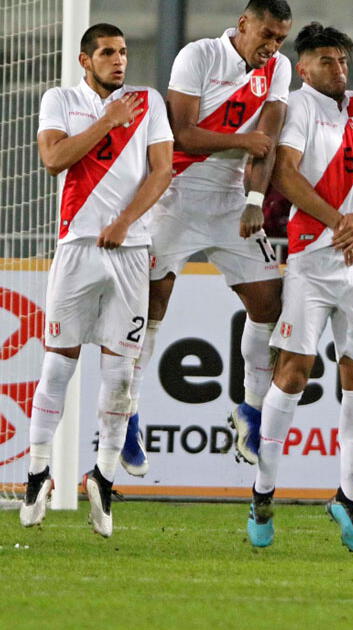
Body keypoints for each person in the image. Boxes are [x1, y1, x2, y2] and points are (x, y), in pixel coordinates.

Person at [243, 22, 353, 556]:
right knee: (294, 371)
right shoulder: (295, 106)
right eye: (328, 62)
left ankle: (348, 497)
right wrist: (340, 223)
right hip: (313, 256)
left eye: (343, 60)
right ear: (304, 66)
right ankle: (263, 492)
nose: (340, 70)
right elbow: (285, 176)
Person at [20, 23, 173, 536]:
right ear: (86, 60)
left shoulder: (149, 101)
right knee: (58, 362)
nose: (119, 60)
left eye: (124, 52)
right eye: (107, 52)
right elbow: (53, 158)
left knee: (121, 373)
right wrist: (108, 121)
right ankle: (38, 471)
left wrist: (127, 222)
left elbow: (162, 170)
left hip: (130, 252)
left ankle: (103, 479)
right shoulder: (60, 99)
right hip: (77, 247)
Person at [126, 0, 293, 471]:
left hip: (229, 203)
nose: (272, 46)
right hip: (174, 195)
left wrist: (256, 202)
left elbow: (270, 141)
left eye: (280, 38)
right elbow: (181, 134)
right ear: (243, 24)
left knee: (269, 303)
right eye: (266, 34)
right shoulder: (197, 56)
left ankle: (251, 412)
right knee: (150, 309)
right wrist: (243, 141)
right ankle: (129, 417)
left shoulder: (277, 68)